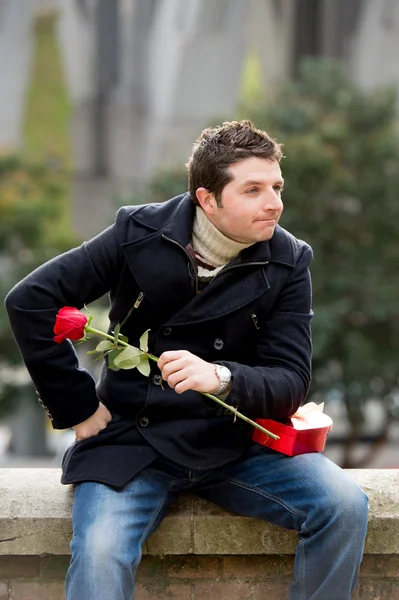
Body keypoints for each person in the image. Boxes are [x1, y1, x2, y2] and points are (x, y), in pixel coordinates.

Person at [5, 119, 368, 600]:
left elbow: (290, 381)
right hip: (134, 441)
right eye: (253, 189)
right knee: (99, 553)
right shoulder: (136, 231)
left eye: (277, 186)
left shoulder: (289, 260)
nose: (275, 202)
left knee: (345, 506)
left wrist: (220, 377)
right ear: (207, 198)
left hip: (237, 443)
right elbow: (30, 300)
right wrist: (77, 408)